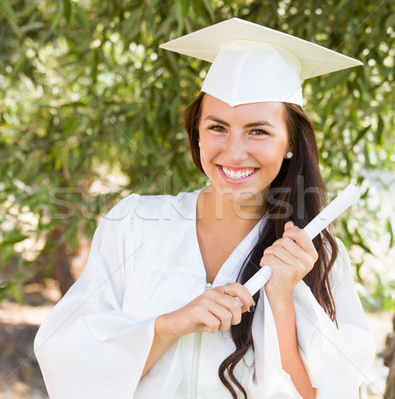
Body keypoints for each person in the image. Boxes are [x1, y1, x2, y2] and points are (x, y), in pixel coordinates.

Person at [34, 18, 375, 399]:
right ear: (197, 132)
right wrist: (167, 326)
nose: (233, 152)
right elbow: (71, 363)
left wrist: (281, 296)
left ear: (290, 142)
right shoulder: (135, 224)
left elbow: (321, 395)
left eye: (258, 131)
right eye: (217, 127)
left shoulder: (316, 257)